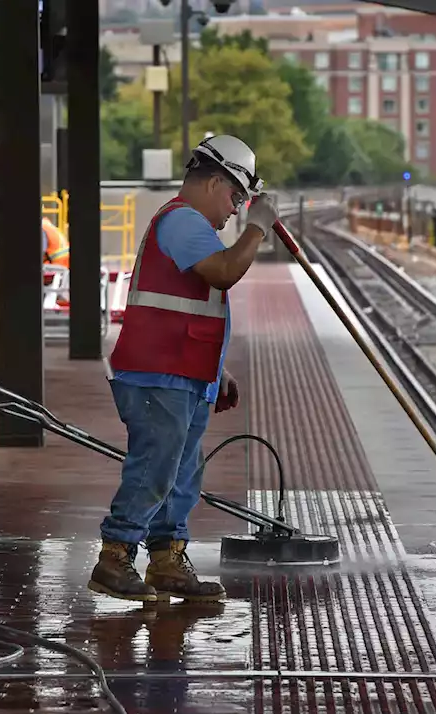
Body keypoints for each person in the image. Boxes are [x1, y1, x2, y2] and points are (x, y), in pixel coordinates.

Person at [90, 134, 280, 603]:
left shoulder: (192, 227)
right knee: (156, 467)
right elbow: (222, 272)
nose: (236, 209)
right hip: (157, 373)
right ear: (215, 182)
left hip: (184, 373)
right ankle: (115, 557)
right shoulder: (181, 222)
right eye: (236, 197)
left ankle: (167, 559)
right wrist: (258, 229)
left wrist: (218, 370)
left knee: (181, 471)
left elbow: (195, 307)